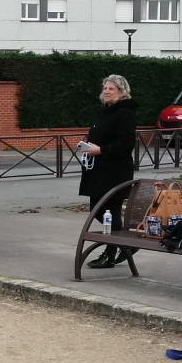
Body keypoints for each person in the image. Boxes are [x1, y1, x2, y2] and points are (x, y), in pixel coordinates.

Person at [78, 74, 138, 268]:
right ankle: (124, 246)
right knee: (100, 211)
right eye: (105, 88)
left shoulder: (124, 113)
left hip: (114, 172)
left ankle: (111, 252)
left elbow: (126, 143)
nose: (106, 91)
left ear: (121, 92)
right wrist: (88, 144)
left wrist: (101, 150)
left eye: (111, 89)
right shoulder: (105, 111)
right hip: (99, 170)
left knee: (106, 212)